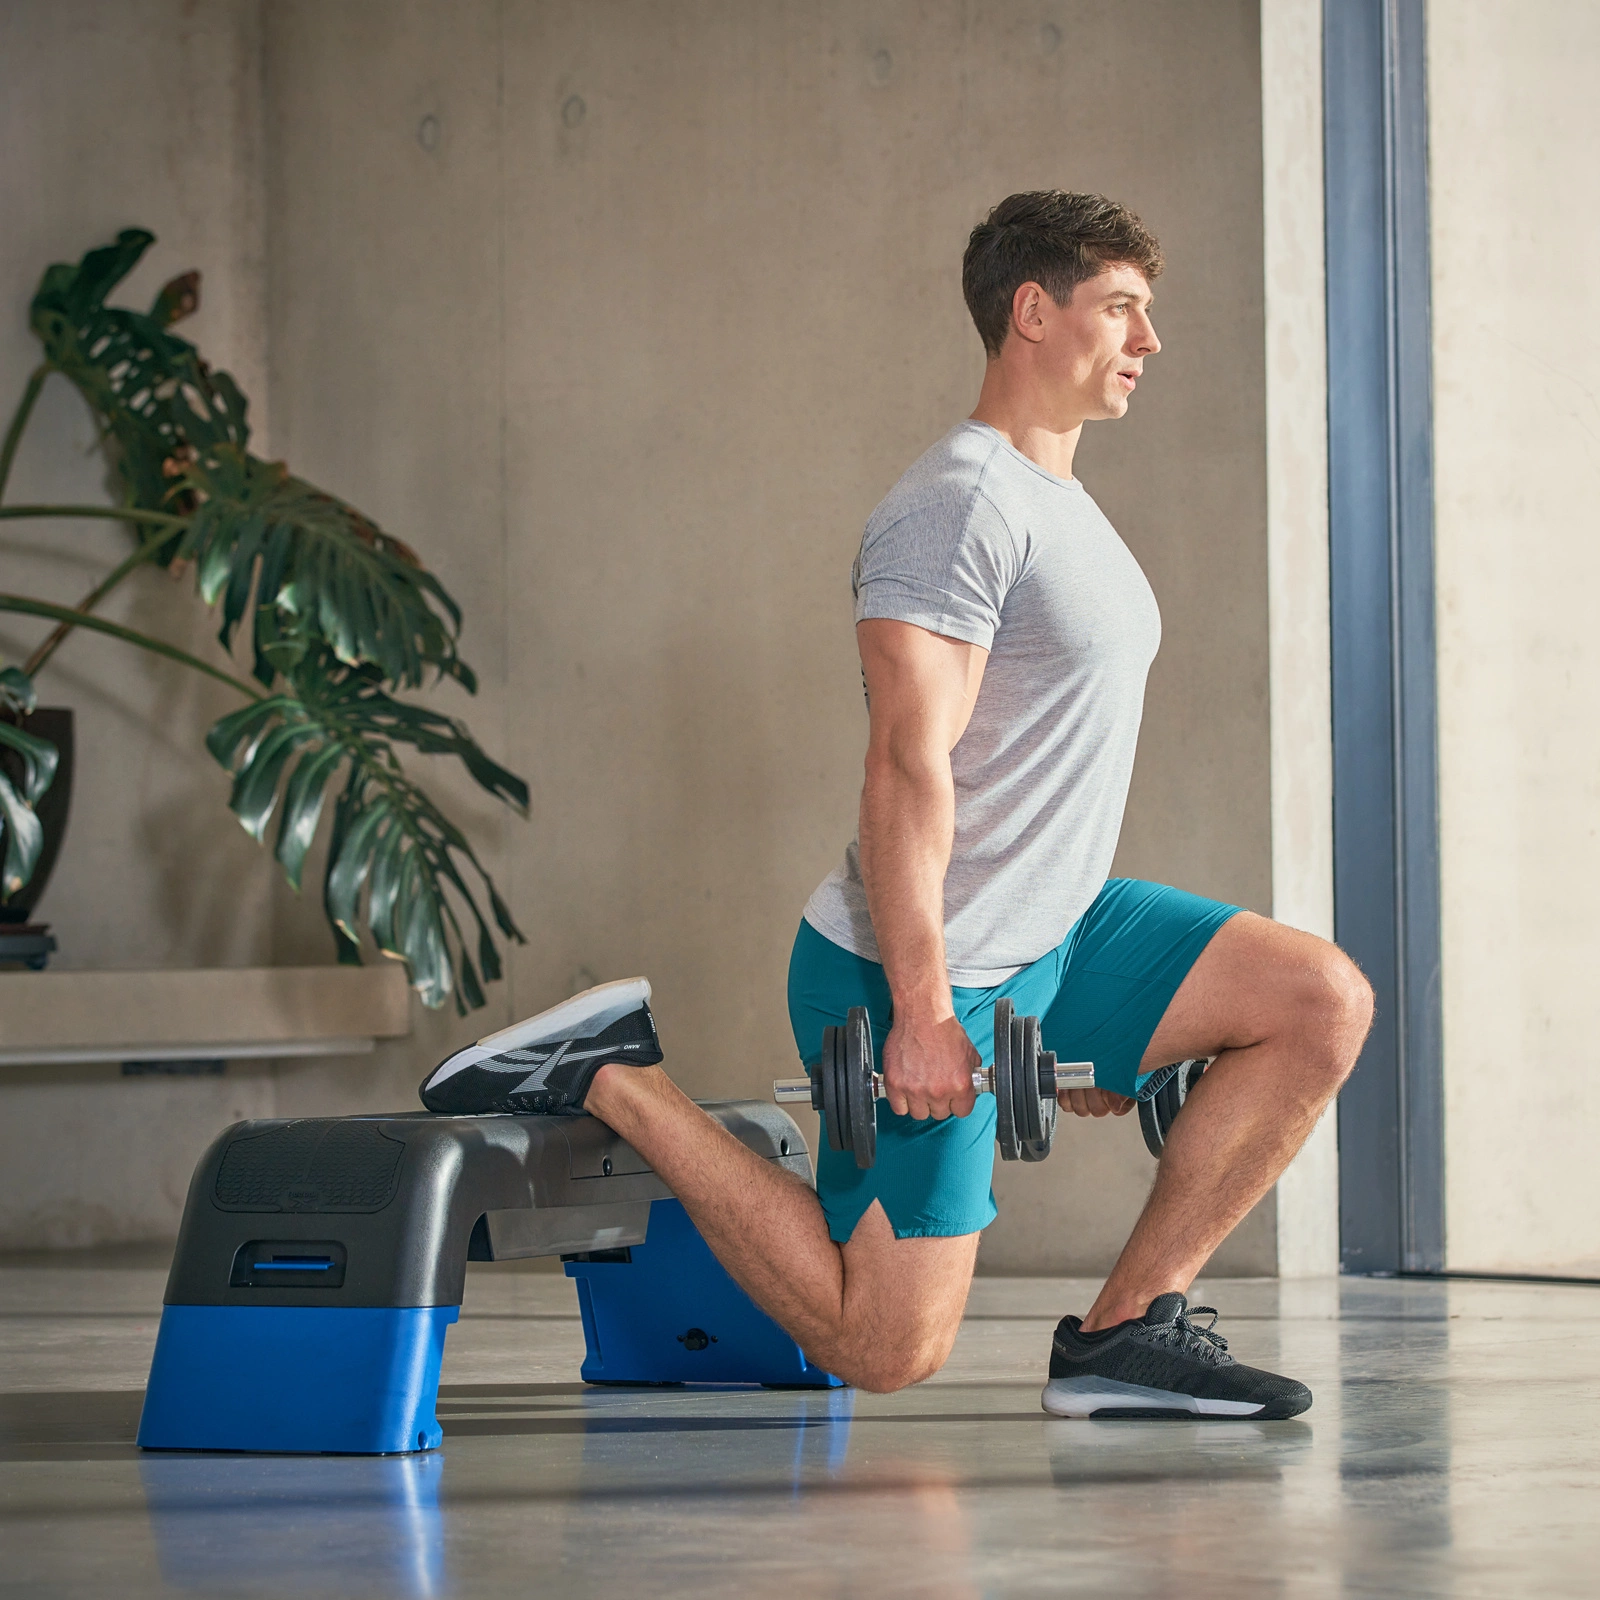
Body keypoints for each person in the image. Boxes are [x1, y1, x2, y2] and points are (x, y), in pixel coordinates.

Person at [422, 191, 1373, 1419]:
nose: (1149, 339)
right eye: (1121, 308)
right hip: (922, 963)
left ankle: (1126, 1331)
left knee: (1315, 1001)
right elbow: (905, 764)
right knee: (887, 1345)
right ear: (1032, 311)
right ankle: (614, 1074)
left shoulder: (1055, 499)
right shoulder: (958, 505)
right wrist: (923, 1013)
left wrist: (1104, 1027)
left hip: (1055, 936)